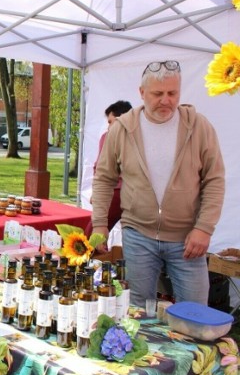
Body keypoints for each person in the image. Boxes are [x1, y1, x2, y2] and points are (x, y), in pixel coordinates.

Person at [91, 60, 225, 307]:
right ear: (142, 93)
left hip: (187, 238)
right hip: (138, 234)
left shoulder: (199, 126)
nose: (166, 100)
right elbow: (104, 179)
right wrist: (100, 224)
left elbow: (215, 180)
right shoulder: (121, 129)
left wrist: (204, 228)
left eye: (172, 93)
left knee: (194, 311)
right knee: (139, 310)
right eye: (158, 94)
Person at [86, 100, 132, 255]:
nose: (108, 126)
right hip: (115, 192)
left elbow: (99, 168)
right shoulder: (107, 136)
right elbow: (100, 170)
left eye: (111, 122)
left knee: (91, 236)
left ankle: (91, 264)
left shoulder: (133, 137)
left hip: (121, 193)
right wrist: (97, 193)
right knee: (95, 232)